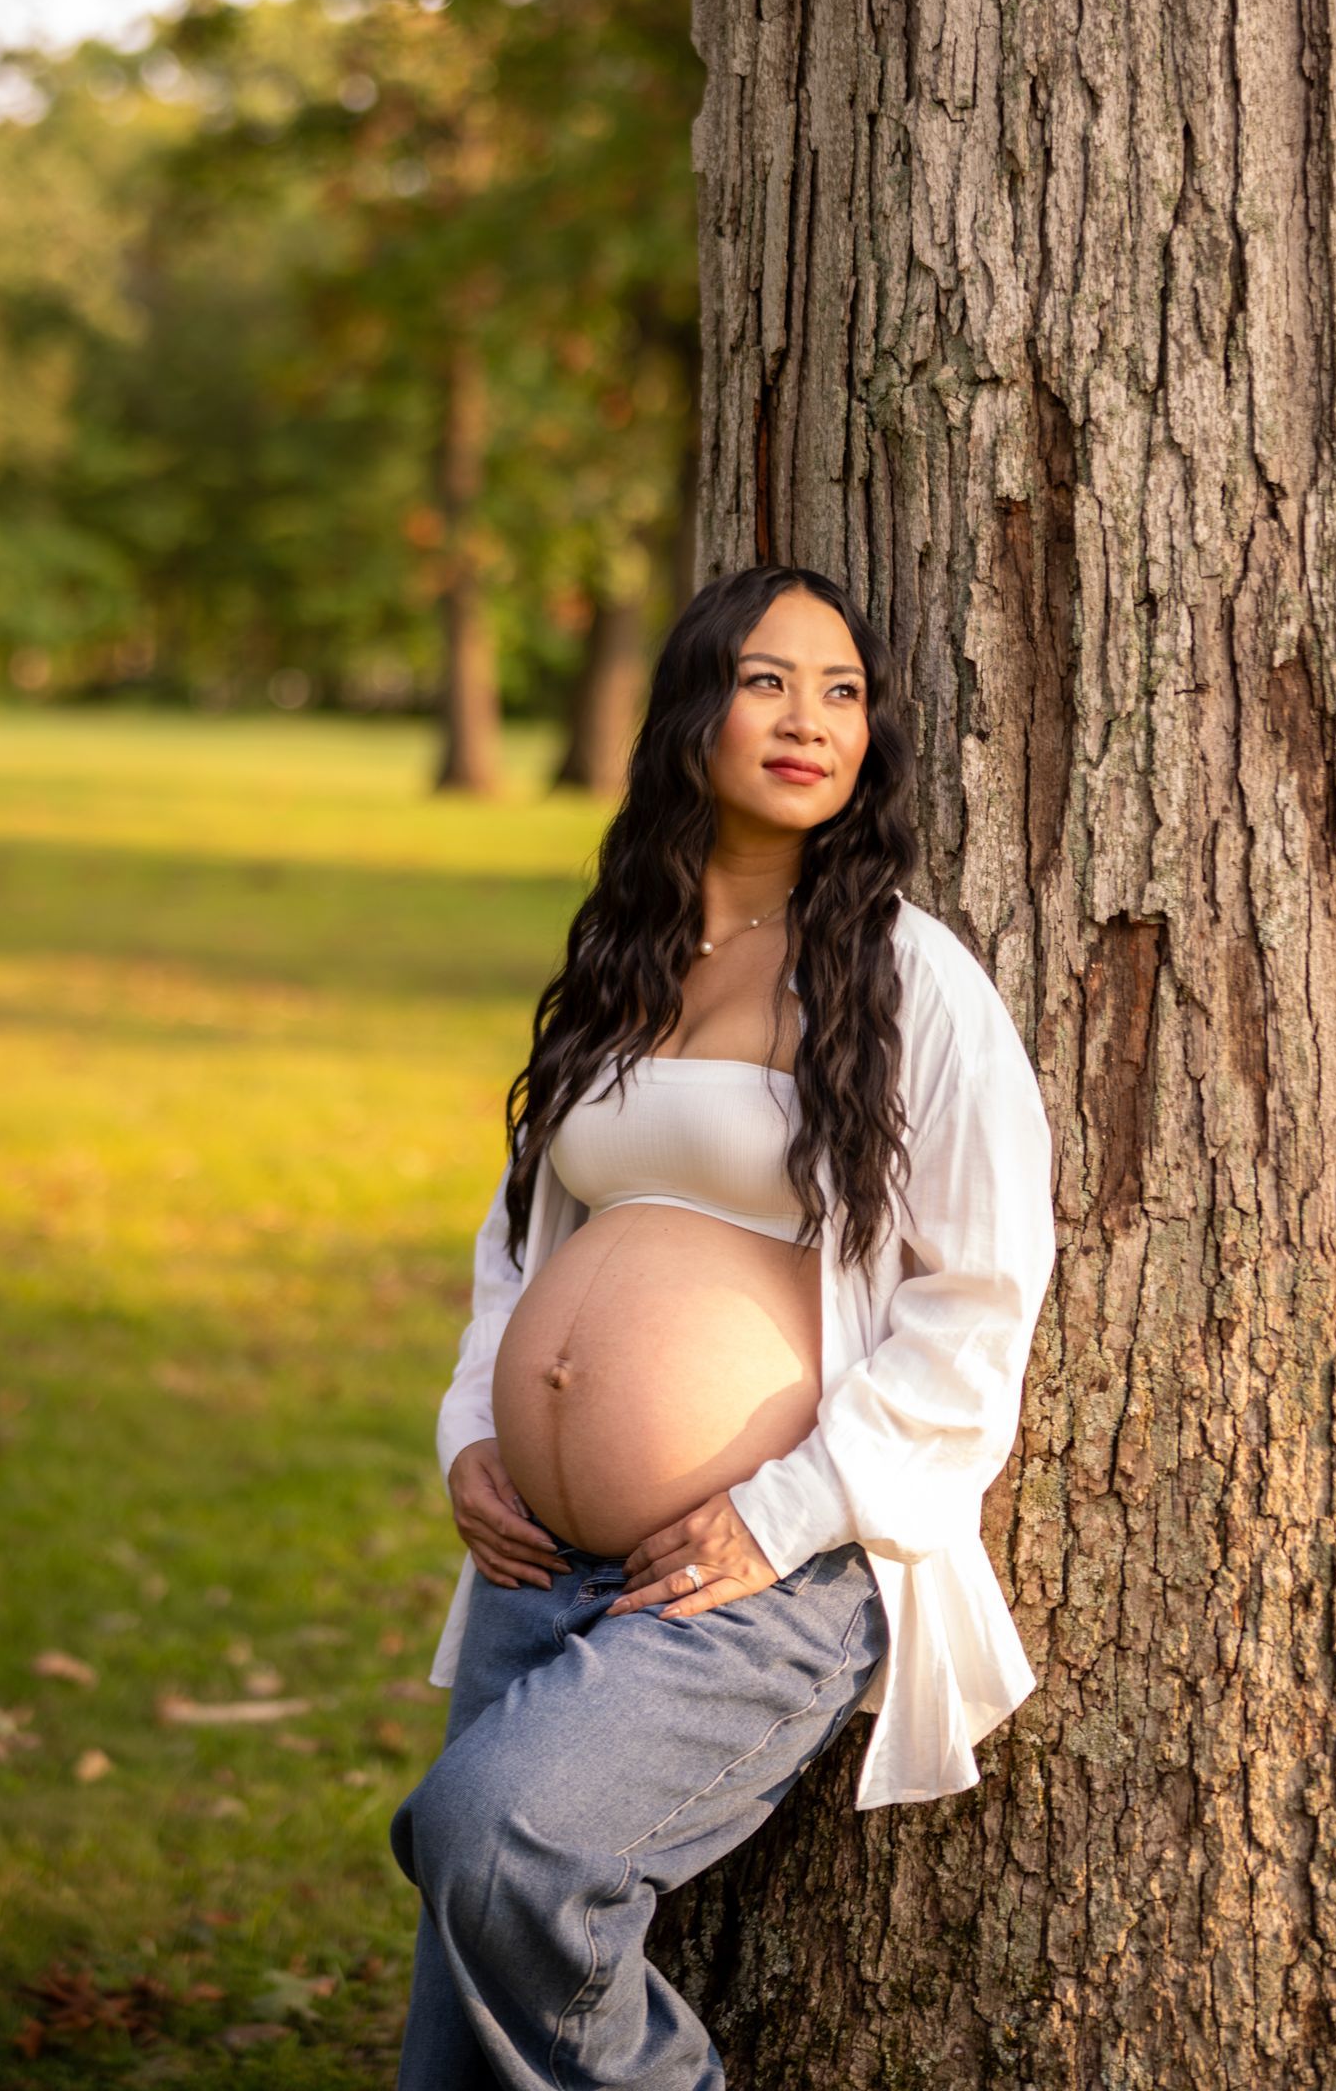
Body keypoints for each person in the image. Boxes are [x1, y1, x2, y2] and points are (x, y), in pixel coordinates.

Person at [390, 562, 1057, 2090]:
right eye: (767, 680)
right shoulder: (619, 964)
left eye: (842, 692)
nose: (809, 719)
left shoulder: (907, 977)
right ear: (694, 705)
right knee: (459, 2006)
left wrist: (780, 1510)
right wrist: (476, 1431)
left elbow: (979, 1302)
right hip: (535, 1555)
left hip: (762, 1561)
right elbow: (524, 1249)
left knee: (494, 1845)